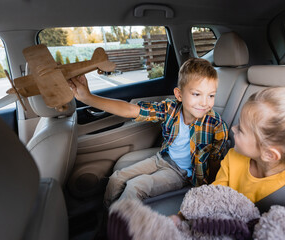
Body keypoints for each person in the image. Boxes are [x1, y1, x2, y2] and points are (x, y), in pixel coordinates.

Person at [68, 58, 228, 206]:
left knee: (135, 186)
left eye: (211, 95)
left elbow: (215, 164)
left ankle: (118, 228)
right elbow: (131, 110)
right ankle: (107, 222)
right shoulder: (171, 109)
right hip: (163, 158)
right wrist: (88, 98)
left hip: (182, 174)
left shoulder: (216, 125)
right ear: (179, 95)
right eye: (196, 94)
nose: (205, 102)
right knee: (117, 178)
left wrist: (207, 194)